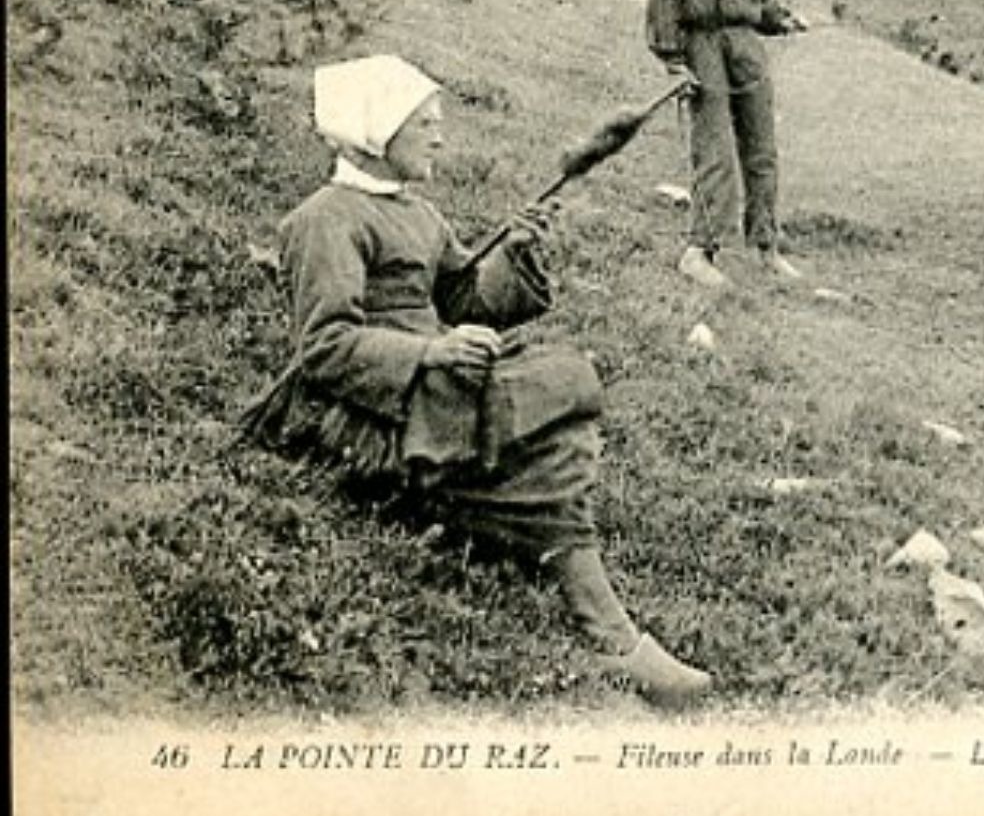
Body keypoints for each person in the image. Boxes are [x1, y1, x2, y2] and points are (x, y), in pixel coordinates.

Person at [242, 54, 712, 705]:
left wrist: (513, 251)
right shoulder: (325, 220)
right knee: (549, 449)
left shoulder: (420, 214)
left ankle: (530, 550)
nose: (439, 136)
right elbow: (324, 346)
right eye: (425, 124)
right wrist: (429, 356)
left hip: (429, 387)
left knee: (560, 398)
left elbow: (460, 301)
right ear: (379, 134)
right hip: (370, 405)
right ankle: (609, 632)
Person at [645, 0, 807, 289]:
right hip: (703, 54)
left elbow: (763, 5)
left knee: (761, 150)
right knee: (714, 151)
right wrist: (674, 62)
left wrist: (783, 21)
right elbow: (664, 12)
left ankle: (765, 247)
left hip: (746, 53)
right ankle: (700, 251)